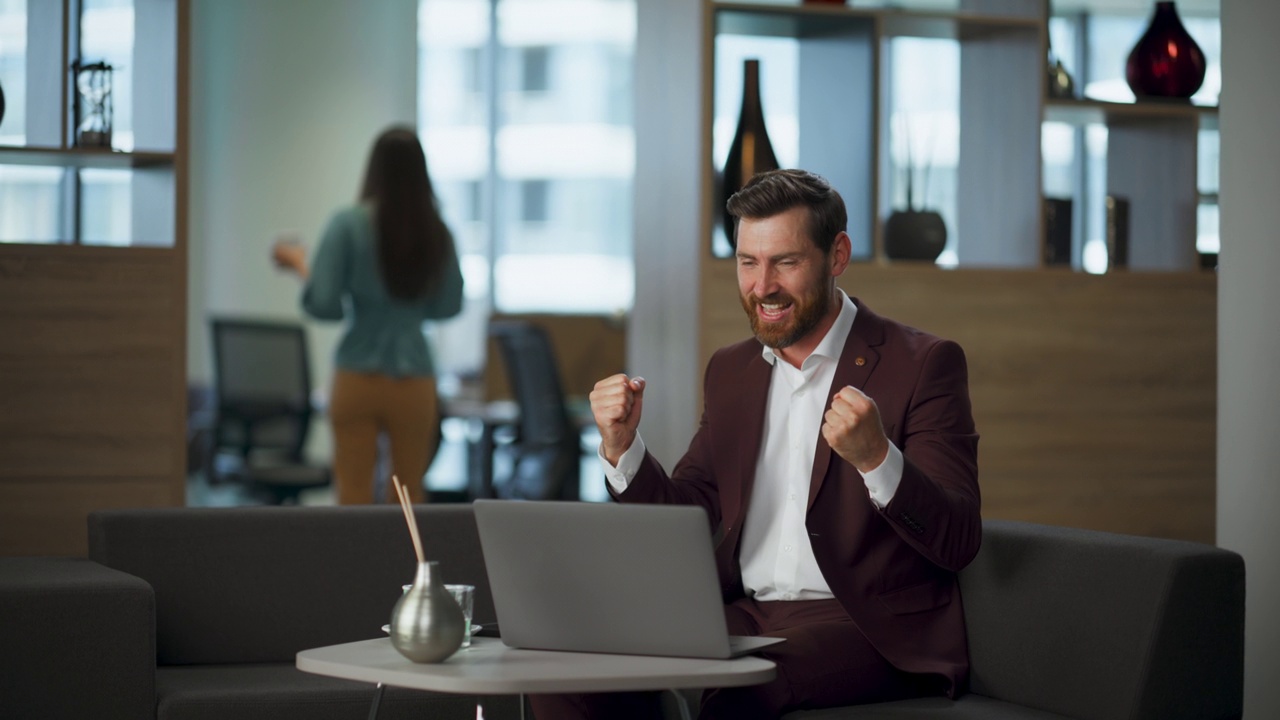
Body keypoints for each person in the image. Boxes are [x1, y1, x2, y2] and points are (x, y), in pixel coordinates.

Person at [532, 169, 980, 719]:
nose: (762, 285)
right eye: (749, 262)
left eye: (786, 262)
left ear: (837, 255)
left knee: (741, 689)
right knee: (566, 668)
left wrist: (877, 459)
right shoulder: (732, 369)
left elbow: (958, 538)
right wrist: (624, 449)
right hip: (744, 613)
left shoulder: (923, 364)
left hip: (863, 625)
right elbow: (688, 520)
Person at [272, 126, 464, 505]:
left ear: (373, 169)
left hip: (356, 374)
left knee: (352, 494)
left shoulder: (347, 224)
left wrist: (299, 265)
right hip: (415, 377)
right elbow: (448, 306)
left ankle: (355, 566)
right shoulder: (437, 231)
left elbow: (325, 304)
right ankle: (407, 566)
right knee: (409, 494)